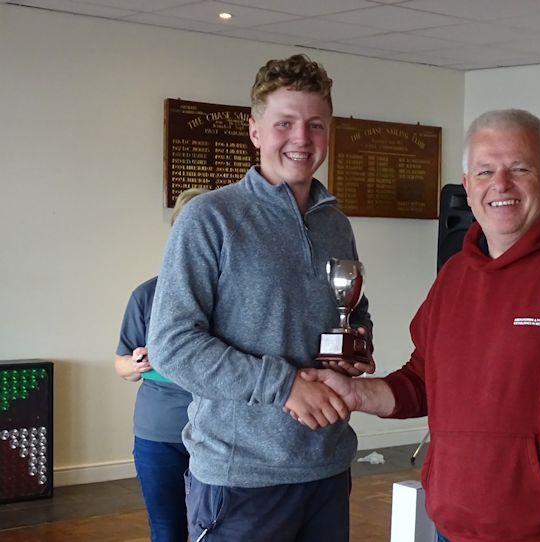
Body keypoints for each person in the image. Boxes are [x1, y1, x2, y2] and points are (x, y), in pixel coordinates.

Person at [295, 109, 540, 542]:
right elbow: (426, 380)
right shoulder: (455, 276)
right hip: (453, 530)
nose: (501, 185)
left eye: (519, 168)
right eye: (485, 171)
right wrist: (358, 393)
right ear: (468, 186)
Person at [147, 54, 373, 542]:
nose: (301, 139)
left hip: (327, 464)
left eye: (315, 125)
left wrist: (354, 347)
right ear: (255, 132)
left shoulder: (335, 223)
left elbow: (354, 309)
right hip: (241, 478)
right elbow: (172, 345)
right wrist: (285, 385)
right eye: (285, 123)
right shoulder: (211, 219)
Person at [115, 187, 208, 542]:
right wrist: (136, 363)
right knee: (168, 532)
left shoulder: (232, 296)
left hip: (218, 434)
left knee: (217, 530)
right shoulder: (147, 295)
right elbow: (121, 365)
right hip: (159, 435)